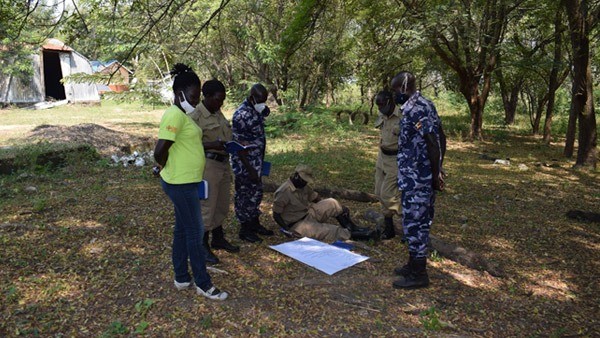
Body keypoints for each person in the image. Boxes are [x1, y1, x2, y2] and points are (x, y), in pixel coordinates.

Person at [153, 63, 228, 300]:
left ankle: (182, 277)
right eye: (193, 97)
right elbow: (160, 150)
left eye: (197, 97)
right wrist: (168, 167)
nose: (196, 101)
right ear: (180, 93)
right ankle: (203, 283)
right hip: (180, 184)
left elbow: (186, 144)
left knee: (182, 230)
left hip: (189, 181)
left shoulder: (183, 115)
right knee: (195, 232)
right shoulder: (174, 115)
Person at [390, 71, 446, 289]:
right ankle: (413, 265)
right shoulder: (422, 105)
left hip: (418, 179)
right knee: (414, 222)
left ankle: (419, 274)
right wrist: (438, 168)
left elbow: (434, 140)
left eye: (396, 91)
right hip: (414, 177)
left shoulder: (418, 108)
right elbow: (441, 136)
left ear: (404, 88)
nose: (395, 95)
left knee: (415, 224)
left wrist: (435, 173)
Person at [187, 79, 240, 264]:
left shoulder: (217, 113)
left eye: (223, 100)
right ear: (206, 96)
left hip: (224, 164)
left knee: (222, 204)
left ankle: (218, 238)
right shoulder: (195, 117)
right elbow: (187, 145)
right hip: (208, 165)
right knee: (207, 206)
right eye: (218, 99)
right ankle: (202, 245)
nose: (221, 103)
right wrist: (212, 144)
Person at [272, 164, 379, 243]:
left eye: (306, 181)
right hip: (296, 224)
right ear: (296, 175)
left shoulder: (303, 185)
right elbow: (276, 214)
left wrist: (337, 208)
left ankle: (353, 227)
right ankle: (362, 235)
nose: (305, 183)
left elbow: (315, 198)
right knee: (329, 230)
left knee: (332, 202)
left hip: (308, 213)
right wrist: (286, 230)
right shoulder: (284, 191)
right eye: (303, 180)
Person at [231, 83, 274, 243]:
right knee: (244, 195)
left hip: (257, 161)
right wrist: (250, 169)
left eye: (265, 100)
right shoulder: (241, 115)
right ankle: (245, 229)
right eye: (260, 100)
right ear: (251, 98)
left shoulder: (256, 109)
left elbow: (265, 113)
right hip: (245, 165)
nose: (263, 103)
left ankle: (255, 223)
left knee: (256, 193)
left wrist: (264, 108)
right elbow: (238, 146)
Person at [374, 90, 402, 240]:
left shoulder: (402, 116)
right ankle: (389, 227)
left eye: (382, 105)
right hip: (381, 157)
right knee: (379, 192)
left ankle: (407, 219)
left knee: (388, 194)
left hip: (395, 159)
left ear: (390, 102)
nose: (380, 108)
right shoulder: (381, 114)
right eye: (377, 105)